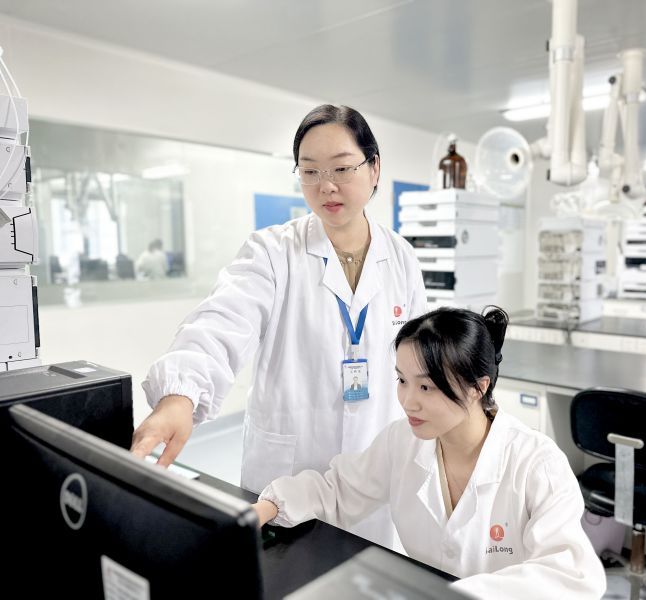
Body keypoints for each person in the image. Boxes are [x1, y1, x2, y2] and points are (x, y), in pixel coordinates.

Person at [131, 105, 428, 546]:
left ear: (374, 168)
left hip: (375, 466)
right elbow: (222, 320)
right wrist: (180, 394)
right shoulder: (272, 252)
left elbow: (421, 360)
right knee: (285, 570)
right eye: (309, 171)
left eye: (342, 168)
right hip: (286, 470)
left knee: (370, 568)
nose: (326, 186)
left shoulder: (401, 258)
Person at [252, 307, 606, 599]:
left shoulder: (536, 464)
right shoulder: (402, 442)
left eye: (426, 386)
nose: (408, 401)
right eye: (402, 381)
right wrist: (266, 509)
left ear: (477, 387)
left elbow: (569, 578)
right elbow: (339, 491)